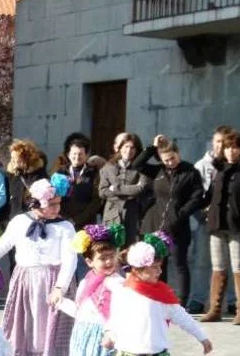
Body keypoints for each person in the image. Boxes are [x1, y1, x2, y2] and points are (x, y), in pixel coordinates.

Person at [0, 175, 77, 356]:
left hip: (52, 282)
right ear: (36, 203)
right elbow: (3, 244)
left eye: (58, 204)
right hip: (25, 280)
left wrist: (60, 287)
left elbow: (70, 259)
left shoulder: (65, 227)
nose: (56, 208)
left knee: (56, 337)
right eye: (51, 204)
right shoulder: (19, 222)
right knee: (22, 334)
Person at [57, 224, 126, 356]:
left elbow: (121, 312)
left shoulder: (118, 283)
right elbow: (80, 311)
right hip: (82, 335)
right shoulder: (86, 281)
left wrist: (112, 332)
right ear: (89, 261)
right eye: (102, 258)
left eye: (111, 256)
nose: (109, 262)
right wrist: (60, 303)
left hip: (103, 337)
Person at [138, 136, 205, 307]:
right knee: (158, 264)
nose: (170, 162)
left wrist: (181, 214)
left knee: (180, 264)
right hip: (155, 224)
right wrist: (152, 148)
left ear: (178, 153)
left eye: (172, 158)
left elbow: (197, 197)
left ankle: (181, 303)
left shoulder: (190, 172)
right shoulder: (159, 171)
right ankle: (160, 299)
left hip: (177, 226)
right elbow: (137, 165)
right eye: (165, 160)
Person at [201, 129, 240, 324]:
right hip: (218, 224)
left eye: (235, 147)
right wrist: (203, 209)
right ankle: (215, 309)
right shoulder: (219, 168)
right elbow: (210, 194)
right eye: (227, 148)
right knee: (218, 267)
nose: (230, 151)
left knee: (239, 267)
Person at [190, 126, 233, 313]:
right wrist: (201, 215)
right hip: (205, 222)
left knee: (230, 263)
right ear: (212, 142)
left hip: (228, 222)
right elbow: (192, 194)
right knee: (201, 261)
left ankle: (232, 301)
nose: (220, 146)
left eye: (224, 142)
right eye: (217, 141)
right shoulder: (201, 166)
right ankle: (197, 300)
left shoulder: (233, 164)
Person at [99, 133, 154, 243]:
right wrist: (131, 191)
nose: (129, 150)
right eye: (126, 146)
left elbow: (141, 189)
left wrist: (115, 189)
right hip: (112, 216)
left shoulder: (142, 169)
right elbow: (102, 192)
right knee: (111, 249)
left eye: (132, 147)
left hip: (133, 215)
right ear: (120, 148)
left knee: (131, 249)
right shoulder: (108, 167)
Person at [55, 135, 104, 231]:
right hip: (63, 222)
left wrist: (78, 220)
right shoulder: (60, 172)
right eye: (74, 153)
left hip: (86, 224)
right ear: (68, 154)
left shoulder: (94, 172)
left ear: (86, 155)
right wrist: (65, 218)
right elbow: (55, 196)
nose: (77, 157)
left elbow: (96, 200)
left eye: (80, 154)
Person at [5, 140, 48, 222]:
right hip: (14, 219)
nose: (12, 160)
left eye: (15, 157)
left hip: (33, 218)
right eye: (11, 157)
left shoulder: (39, 175)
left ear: (26, 158)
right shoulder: (12, 175)